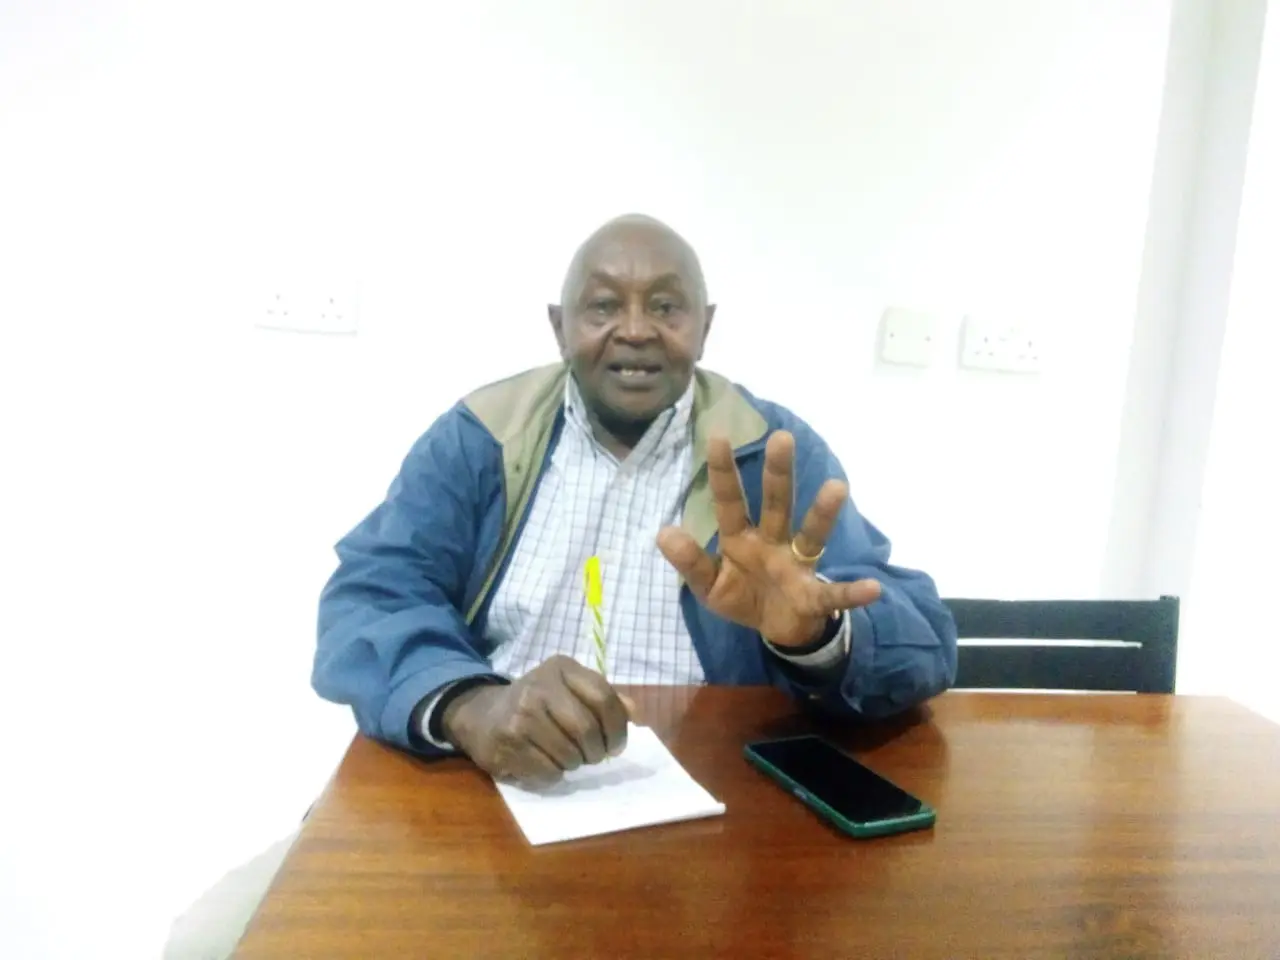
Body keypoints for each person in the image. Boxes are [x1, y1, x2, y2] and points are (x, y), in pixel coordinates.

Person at [163, 213, 957, 958]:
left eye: (667, 307)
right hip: (481, 795)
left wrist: (817, 638)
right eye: (603, 305)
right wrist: (470, 705)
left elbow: (920, 636)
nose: (636, 329)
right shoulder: (483, 433)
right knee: (210, 937)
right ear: (558, 324)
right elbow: (370, 595)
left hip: (710, 823)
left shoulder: (768, 450)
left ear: (705, 326)